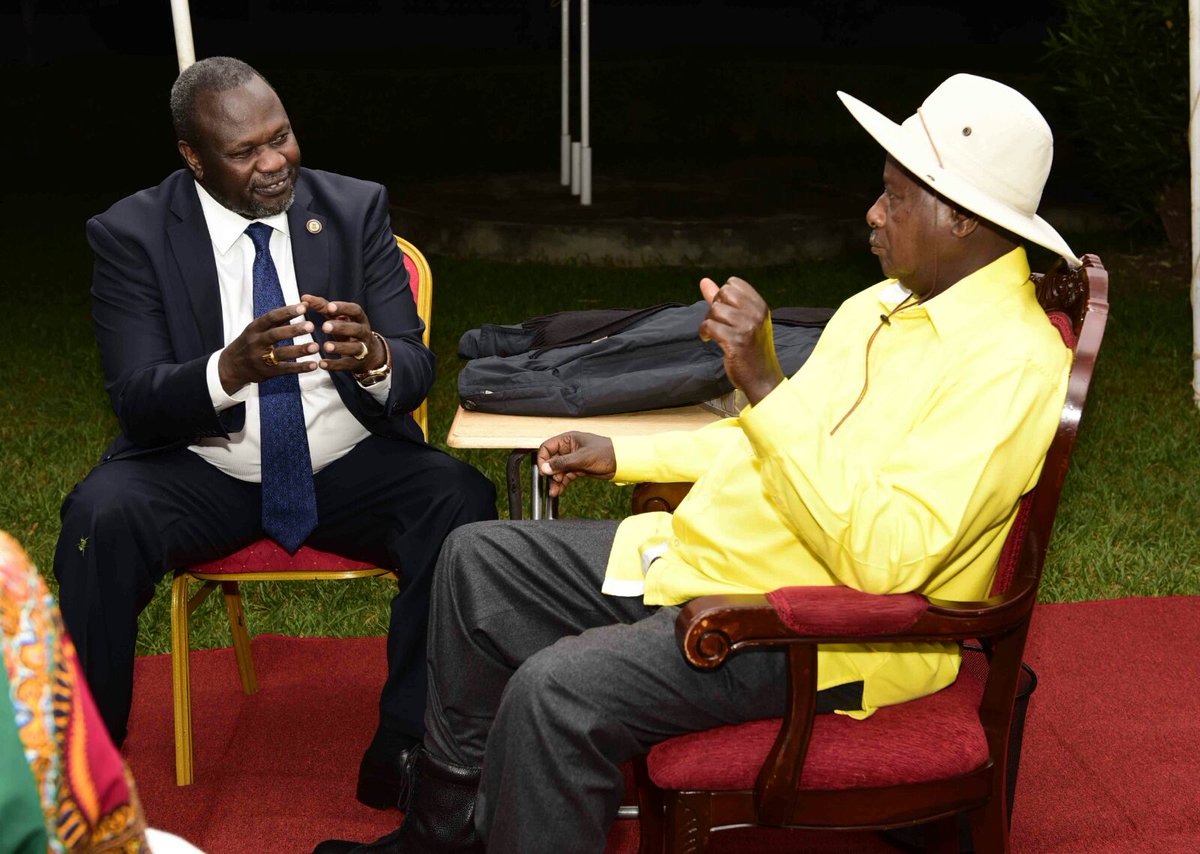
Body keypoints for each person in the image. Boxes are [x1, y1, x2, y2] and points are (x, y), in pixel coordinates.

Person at [314, 73, 1077, 854]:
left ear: (959, 217)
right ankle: (443, 836)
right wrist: (623, 453)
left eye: (895, 196)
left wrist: (766, 385)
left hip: (812, 630)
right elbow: (765, 443)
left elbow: (889, 560)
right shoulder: (879, 308)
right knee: (475, 561)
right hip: (728, 558)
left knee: (554, 695)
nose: (873, 214)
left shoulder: (1011, 365)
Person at [52, 57, 496, 810]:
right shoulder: (131, 233)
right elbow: (136, 399)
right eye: (243, 151)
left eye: (281, 137)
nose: (272, 163)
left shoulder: (354, 208)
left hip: (343, 459)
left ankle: (409, 744)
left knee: (458, 500)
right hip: (202, 467)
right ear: (193, 158)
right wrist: (229, 369)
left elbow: (415, 366)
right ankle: (82, 762)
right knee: (101, 516)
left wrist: (378, 356)